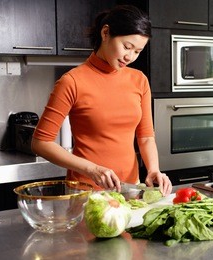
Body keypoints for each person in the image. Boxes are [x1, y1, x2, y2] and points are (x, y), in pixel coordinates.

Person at [31, 5, 172, 196]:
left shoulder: (139, 80)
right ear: (105, 33)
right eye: (127, 47)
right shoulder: (71, 81)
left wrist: (153, 169)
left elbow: (145, 136)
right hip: (85, 191)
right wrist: (92, 169)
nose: (129, 57)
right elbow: (41, 142)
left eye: (137, 51)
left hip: (130, 188)